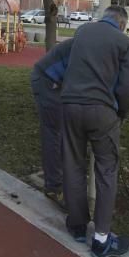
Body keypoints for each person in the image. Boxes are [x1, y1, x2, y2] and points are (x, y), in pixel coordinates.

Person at [60, 5, 129, 257]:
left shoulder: (82, 31)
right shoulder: (124, 42)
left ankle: (78, 225)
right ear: (123, 23)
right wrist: (121, 114)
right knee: (106, 171)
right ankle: (102, 240)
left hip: (70, 105)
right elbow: (126, 89)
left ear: (104, 16)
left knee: (73, 164)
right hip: (102, 112)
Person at [30, 36, 74, 205]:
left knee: (63, 130)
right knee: (54, 132)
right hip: (47, 81)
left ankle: (64, 178)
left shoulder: (91, 39)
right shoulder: (87, 46)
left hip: (56, 81)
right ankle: (54, 187)